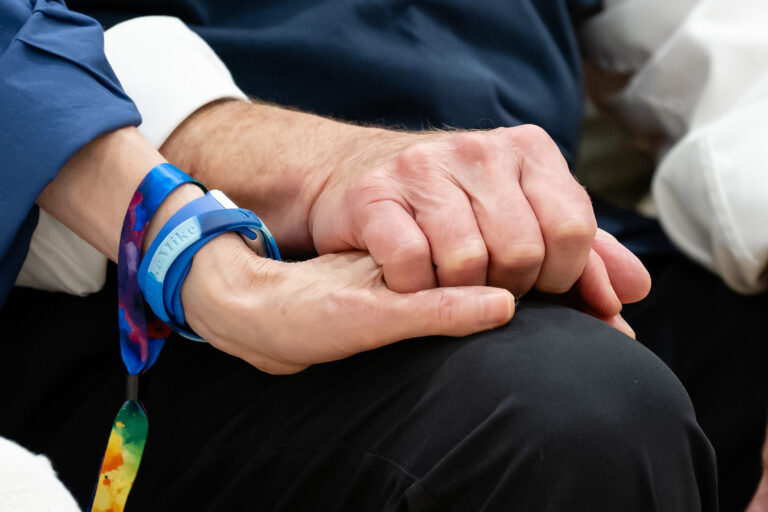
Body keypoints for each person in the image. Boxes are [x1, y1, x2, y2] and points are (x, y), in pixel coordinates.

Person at [0, 1, 717, 511]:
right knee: (570, 413)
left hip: (541, 238)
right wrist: (205, 246)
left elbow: (713, 36)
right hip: (121, 302)